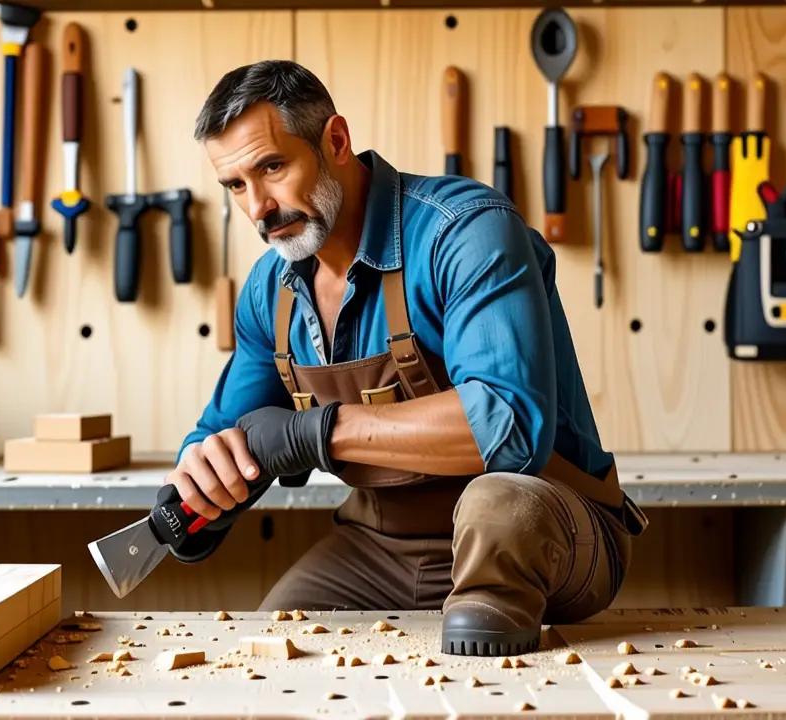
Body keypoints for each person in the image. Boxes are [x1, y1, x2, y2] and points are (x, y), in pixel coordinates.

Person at [165, 59, 648, 657]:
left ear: (335, 140)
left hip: (535, 525)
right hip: (377, 547)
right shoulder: (271, 290)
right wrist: (199, 487)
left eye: (272, 167)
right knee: (274, 649)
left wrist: (313, 434)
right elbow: (222, 436)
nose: (259, 207)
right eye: (236, 186)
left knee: (496, 512)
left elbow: (509, 427)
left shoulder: (465, 231)